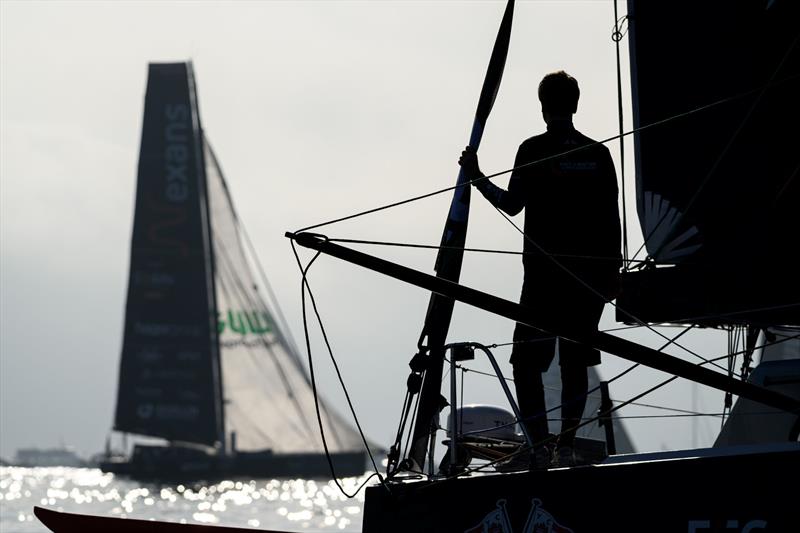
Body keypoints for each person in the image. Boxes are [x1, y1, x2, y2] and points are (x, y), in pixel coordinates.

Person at [458, 70, 622, 469]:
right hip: (586, 281)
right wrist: (611, 276)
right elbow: (611, 221)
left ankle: (541, 445)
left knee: (526, 365)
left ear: (544, 106)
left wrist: (477, 178)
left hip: (543, 281)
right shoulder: (597, 154)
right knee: (574, 363)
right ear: (576, 104)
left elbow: (512, 204)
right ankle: (564, 444)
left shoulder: (532, 148)